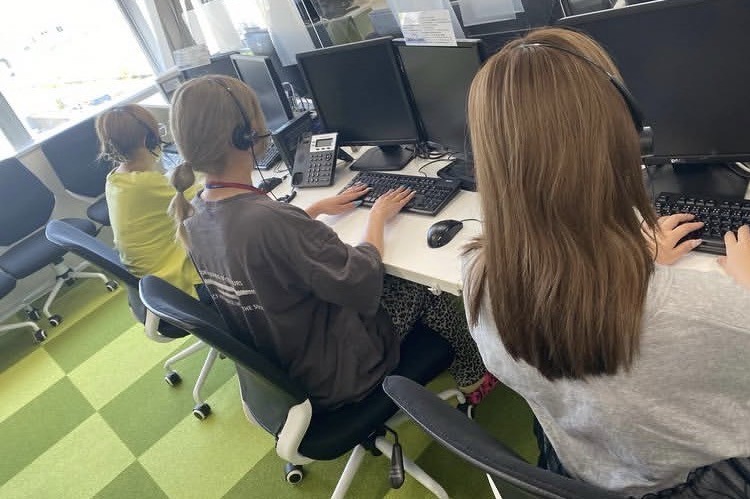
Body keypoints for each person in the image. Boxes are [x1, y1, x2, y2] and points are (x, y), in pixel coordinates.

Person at [462, 27, 750, 498]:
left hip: (587, 464)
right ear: (628, 138)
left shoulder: (478, 273)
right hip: (685, 483)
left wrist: (630, 256)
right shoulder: (693, 313)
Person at [167, 74, 495, 409]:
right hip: (340, 370)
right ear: (246, 134)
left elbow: (262, 253)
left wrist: (312, 210)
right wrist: (377, 216)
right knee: (421, 286)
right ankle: (474, 377)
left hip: (290, 367)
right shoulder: (269, 221)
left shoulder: (195, 214)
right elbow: (362, 280)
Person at [96, 104, 203, 313]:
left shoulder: (116, 179)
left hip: (151, 287)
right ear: (150, 139)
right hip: (176, 287)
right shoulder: (145, 185)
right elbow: (203, 189)